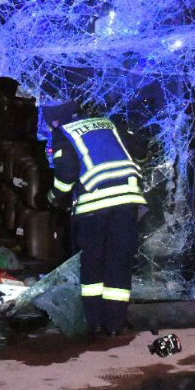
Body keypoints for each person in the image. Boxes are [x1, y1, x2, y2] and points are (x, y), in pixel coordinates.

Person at [42, 100, 147, 336]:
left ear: (55, 119)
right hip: (127, 202)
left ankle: (96, 322)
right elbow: (141, 152)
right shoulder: (109, 123)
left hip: (93, 207)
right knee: (118, 263)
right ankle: (115, 323)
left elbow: (66, 174)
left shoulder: (63, 133)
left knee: (93, 265)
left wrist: (52, 197)